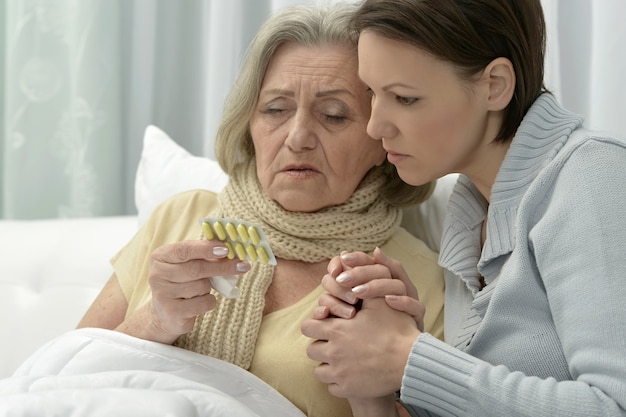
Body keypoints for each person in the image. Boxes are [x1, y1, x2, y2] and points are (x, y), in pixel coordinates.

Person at [77, 4, 445, 417]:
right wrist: (155, 323)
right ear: (248, 124)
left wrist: (370, 396)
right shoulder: (180, 216)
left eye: (334, 115)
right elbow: (68, 377)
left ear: (381, 140)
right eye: (275, 109)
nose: (299, 137)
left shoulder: (413, 282)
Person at [301, 0, 626, 416]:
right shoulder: (471, 208)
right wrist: (374, 380)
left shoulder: (592, 176)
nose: (375, 126)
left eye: (404, 98)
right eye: (372, 93)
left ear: (495, 85)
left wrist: (408, 359)